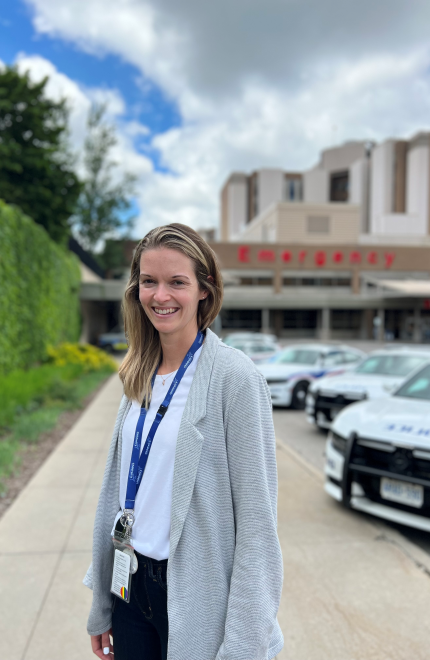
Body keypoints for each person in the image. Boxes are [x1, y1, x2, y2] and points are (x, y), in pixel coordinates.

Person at [84, 223, 284, 660]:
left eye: (177, 282)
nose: (161, 296)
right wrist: (102, 603)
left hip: (195, 594)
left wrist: (244, 648)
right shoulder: (138, 372)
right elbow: (115, 495)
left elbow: (257, 528)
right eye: (149, 282)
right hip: (130, 589)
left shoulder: (236, 380)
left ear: (204, 291)